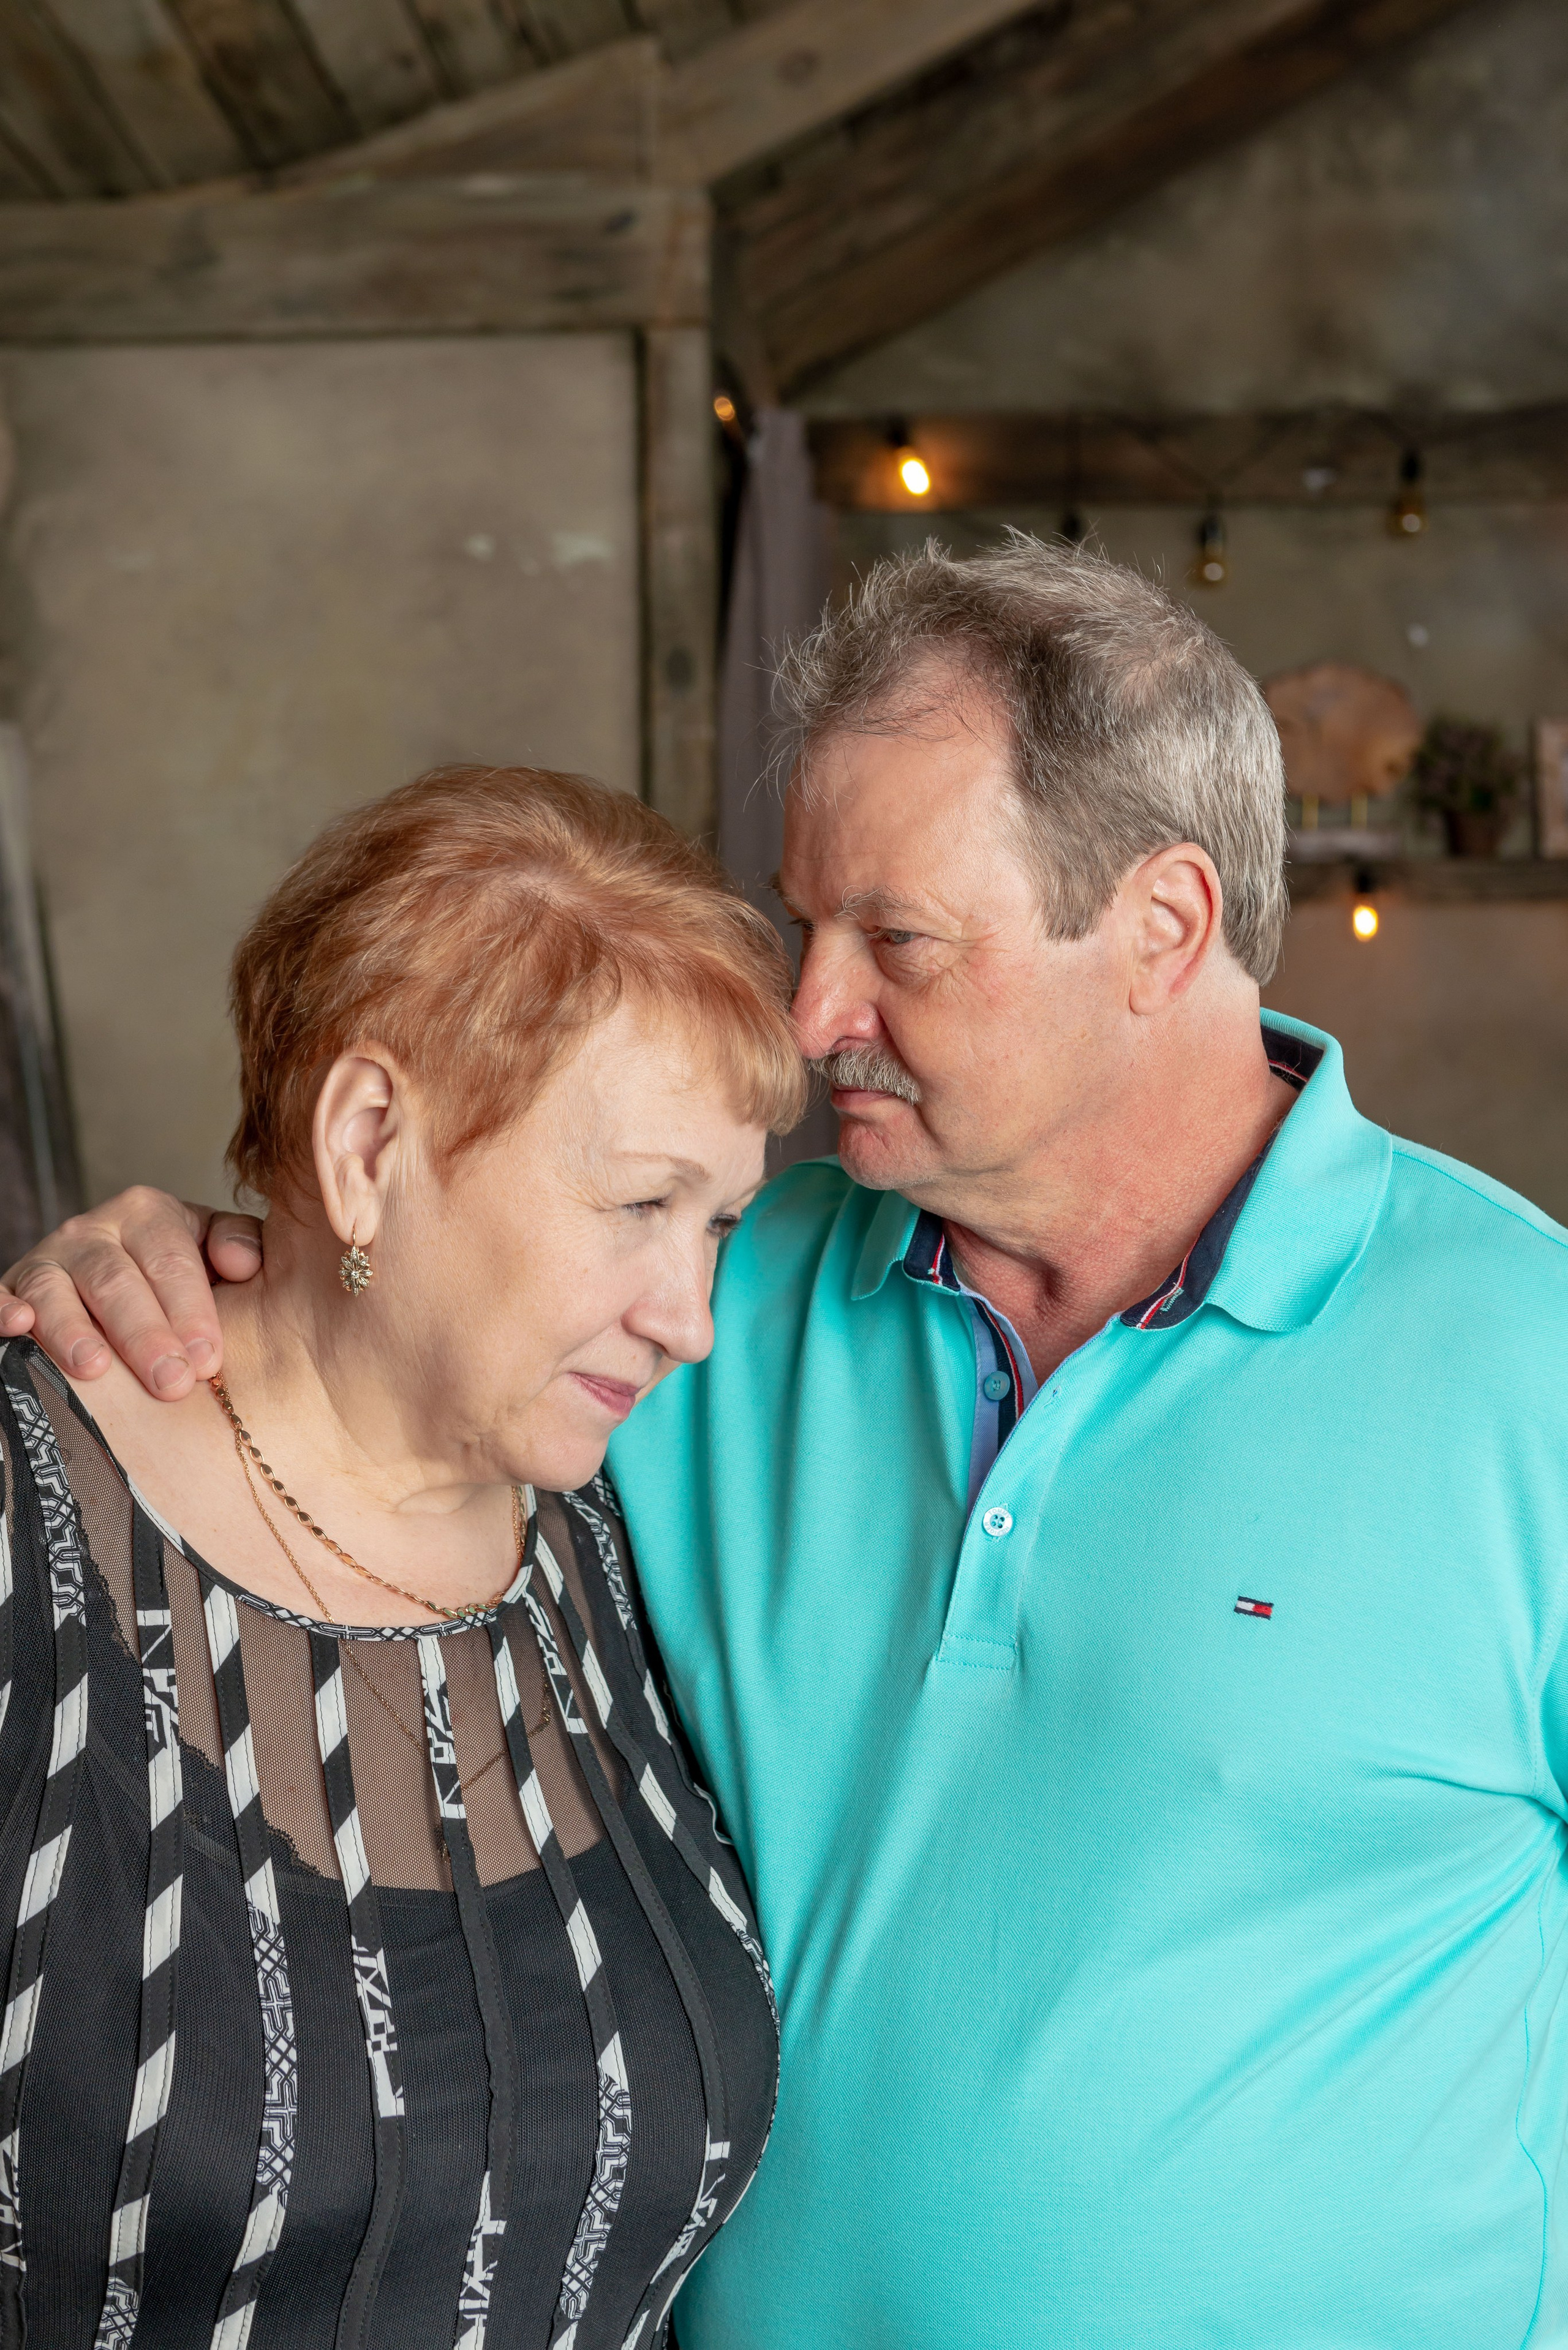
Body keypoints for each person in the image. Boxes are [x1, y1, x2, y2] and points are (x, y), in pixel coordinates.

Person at [12, 537, 1568, 2349]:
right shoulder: (712, 1311)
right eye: (802, 922)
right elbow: (409, 1291)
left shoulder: (1529, 1362)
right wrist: (172, 1269)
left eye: (895, 941)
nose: (813, 1012)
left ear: (1162, 930)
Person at [0, 764, 797, 2350]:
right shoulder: (29, 1519)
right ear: (367, 1141)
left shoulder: (615, 1539)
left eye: (715, 1226)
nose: (690, 1318)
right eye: (641, 1203)